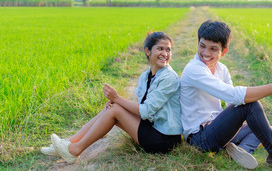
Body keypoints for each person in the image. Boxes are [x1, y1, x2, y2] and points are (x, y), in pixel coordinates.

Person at [180, 20, 272, 171]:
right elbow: (234, 97)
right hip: (200, 138)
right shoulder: (194, 69)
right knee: (251, 106)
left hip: (215, 126)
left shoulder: (221, 68)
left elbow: (233, 105)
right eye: (202, 46)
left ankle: (240, 149)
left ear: (224, 51)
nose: (206, 53)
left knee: (257, 123)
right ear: (197, 44)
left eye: (213, 49)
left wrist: (263, 127)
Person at [41, 32, 182, 163]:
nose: (165, 53)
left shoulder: (169, 77)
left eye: (168, 50)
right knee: (112, 107)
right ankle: (68, 143)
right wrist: (115, 102)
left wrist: (117, 98)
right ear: (148, 51)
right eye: (160, 49)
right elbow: (143, 109)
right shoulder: (145, 76)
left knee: (115, 108)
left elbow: (146, 111)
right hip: (152, 126)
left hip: (164, 139)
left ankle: (73, 150)